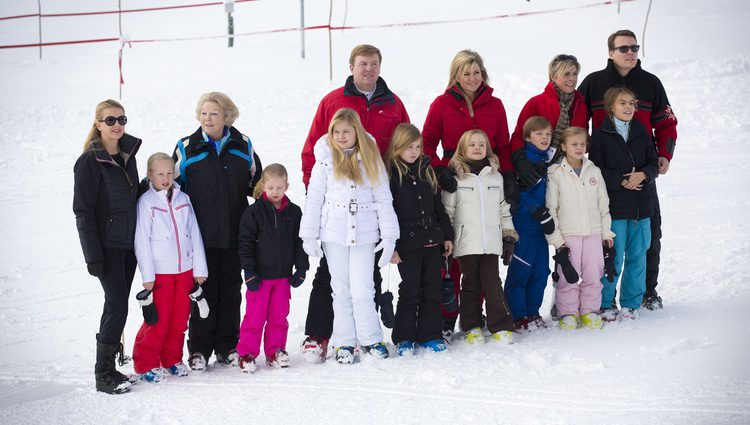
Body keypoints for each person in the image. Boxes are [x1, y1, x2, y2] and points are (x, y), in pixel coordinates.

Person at [299, 44, 409, 361]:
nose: (368, 69)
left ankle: (370, 336)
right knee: (334, 282)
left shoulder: (393, 103)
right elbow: (313, 153)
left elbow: (403, 142)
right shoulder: (333, 102)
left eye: (374, 64)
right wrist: (320, 200)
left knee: (366, 283)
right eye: (362, 64)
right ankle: (324, 335)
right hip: (335, 216)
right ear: (351, 66)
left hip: (370, 205)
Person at [578, 29, 677, 310]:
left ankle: (646, 292)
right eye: (623, 48)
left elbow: (667, 123)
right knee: (606, 238)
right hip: (606, 177)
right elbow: (577, 123)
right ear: (610, 53)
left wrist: (663, 156)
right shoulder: (594, 83)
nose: (630, 52)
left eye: (634, 47)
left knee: (648, 236)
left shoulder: (651, 83)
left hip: (643, 174)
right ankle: (600, 298)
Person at [421, 49, 513, 339]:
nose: (472, 78)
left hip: (487, 179)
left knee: (485, 256)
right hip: (454, 179)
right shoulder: (441, 104)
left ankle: (486, 316)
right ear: (456, 76)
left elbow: (505, 144)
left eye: (477, 72)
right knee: (458, 254)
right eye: (466, 73)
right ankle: (453, 316)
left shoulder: (495, 105)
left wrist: (508, 176)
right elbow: (426, 143)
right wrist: (440, 170)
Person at [173, 92, 262, 371]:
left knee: (231, 291)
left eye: (213, 113)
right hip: (200, 236)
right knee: (201, 293)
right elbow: (172, 186)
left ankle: (227, 346)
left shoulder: (243, 144)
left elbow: (256, 185)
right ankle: (199, 349)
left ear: (227, 116)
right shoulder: (187, 147)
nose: (207, 119)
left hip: (235, 233)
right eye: (203, 113)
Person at [73, 99, 141, 394]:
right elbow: (83, 211)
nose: (117, 125)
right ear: (98, 124)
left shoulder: (130, 155)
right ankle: (103, 374)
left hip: (129, 246)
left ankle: (112, 366)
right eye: (110, 120)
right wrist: (93, 255)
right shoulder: (89, 161)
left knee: (118, 306)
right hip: (107, 248)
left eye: (121, 119)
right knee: (116, 305)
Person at [132, 153, 208, 382]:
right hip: (160, 273)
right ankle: (145, 363)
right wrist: (148, 274)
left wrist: (199, 269)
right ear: (150, 176)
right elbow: (141, 240)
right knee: (159, 320)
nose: (165, 179)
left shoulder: (183, 199)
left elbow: (194, 233)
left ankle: (172, 359)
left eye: (169, 173)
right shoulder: (146, 203)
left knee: (179, 319)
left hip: (184, 270)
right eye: (160, 174)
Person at [442, 129, 517, 345]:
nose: (477, 148)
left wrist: (508, 235)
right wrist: (448, 238)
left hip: (491, 241)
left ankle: (500, 325)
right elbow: (448, 210)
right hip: (466, 242)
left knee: (493, 284)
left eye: (481, 145)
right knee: (471, 284)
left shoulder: (496, 176)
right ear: (463, 149)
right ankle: (471, 326)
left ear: (488, 149)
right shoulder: (456, 178)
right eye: (472, 145)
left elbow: (503, 209)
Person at [589, 87, 658, 321]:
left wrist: (644, 175)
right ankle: (606, 303)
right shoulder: (601, 135)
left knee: (638, 255)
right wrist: (621, 181)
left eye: (631, 103)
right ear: (611, 107)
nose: (628, 107)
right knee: (613, 257)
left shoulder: (641, 131)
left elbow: (652, 163)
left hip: (642, 206)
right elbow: (596, 169)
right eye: (622, 103)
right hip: (616, 207)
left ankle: (631, 303)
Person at [384, 124, 454, 356]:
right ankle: (404, 337)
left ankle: (430, 334)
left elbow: (438, 207)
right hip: (408, 246)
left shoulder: (427, 171)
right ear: (397, 147)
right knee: (410, 290)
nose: (413, 152)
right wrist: (391, 246)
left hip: (433, 242)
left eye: (417, 147)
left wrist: (447, 236)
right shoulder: (391, 177)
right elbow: (386, 214)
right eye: (408, 147)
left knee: (432, 290)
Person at [236, 164, 308, 374]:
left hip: (283, 277)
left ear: (286, 186)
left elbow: (299, 242)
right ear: (263, 186)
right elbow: (245, 243)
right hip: (259, 278)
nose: (275, 192)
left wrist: (301, 268)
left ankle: (275, 351)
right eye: (270, 187)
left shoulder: (294, 212)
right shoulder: (254, 212)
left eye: (279, 187)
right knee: (255, 317)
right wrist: (248, 271)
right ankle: (247, 353)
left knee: (279, 316)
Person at [545, 127, 615, 330]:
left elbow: (604, 205)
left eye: (582, 144)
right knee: (569, 275)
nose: (579, 148)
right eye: (574, 144)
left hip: (593, 233)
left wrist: (606, 233)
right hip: (569, 234)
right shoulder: (556, 173)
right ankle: (568, 313)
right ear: (564, 146)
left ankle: (589, 311)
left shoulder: (594, 171)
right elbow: (552, 208)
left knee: (594, 274)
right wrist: (557, 239)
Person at [504, 117, 555, 332]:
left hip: (543, 230)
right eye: (538, 134)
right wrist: (537, 210)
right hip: (524, 226)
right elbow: (519, 194)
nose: (544, 138)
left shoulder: (551, 160)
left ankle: (533, 311)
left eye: (548, 134)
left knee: (541, 271)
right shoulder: (523, 161)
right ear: (527, 137)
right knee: (521, 270)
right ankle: (517, 315)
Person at [510, 54, 589, 189]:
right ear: (553, 75)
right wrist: (521, 163)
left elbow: (584, 137)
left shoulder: (580, 105)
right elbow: (518, 136)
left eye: (575, 74)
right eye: (566, 74)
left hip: (567, 171)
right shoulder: (536, 103)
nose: (572, 79)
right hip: (536, 169)